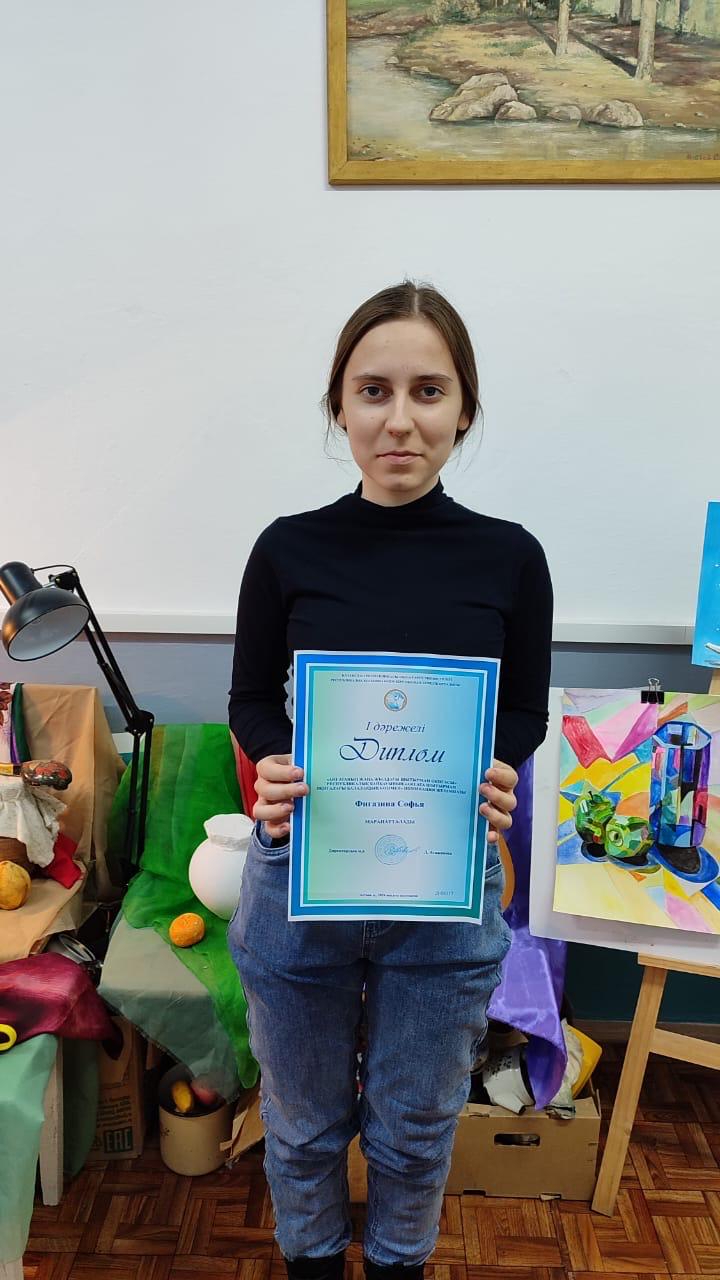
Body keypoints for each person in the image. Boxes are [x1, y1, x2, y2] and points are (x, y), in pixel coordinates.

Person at [227, 282, 553, 1280]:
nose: (399, 419)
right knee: (302, 1128)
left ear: (465, 409)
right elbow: (252, 698)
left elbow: (524, 710)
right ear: (340, 406)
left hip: (442, 889)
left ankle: (402, 1263)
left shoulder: (511, 558)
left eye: (427, 390)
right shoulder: (286, 547)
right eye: (373, 390)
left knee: (414, 1131)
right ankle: (313, 1263)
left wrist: (499, 765)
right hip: (301, 873)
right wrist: (273, 759)